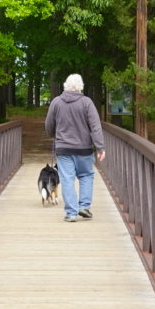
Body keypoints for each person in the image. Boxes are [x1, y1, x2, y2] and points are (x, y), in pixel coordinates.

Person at [43, 74, 104, 222]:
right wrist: (100, 146)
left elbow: (49, 124)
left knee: (67, 179)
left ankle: (71, 213)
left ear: (66, 85)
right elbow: (95, 126)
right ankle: (84, 206)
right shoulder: (86, 102)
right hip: (84, 149)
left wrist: (53, 134)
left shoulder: (56, 102)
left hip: (64, 149)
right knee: (86, 176)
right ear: (80, 87)